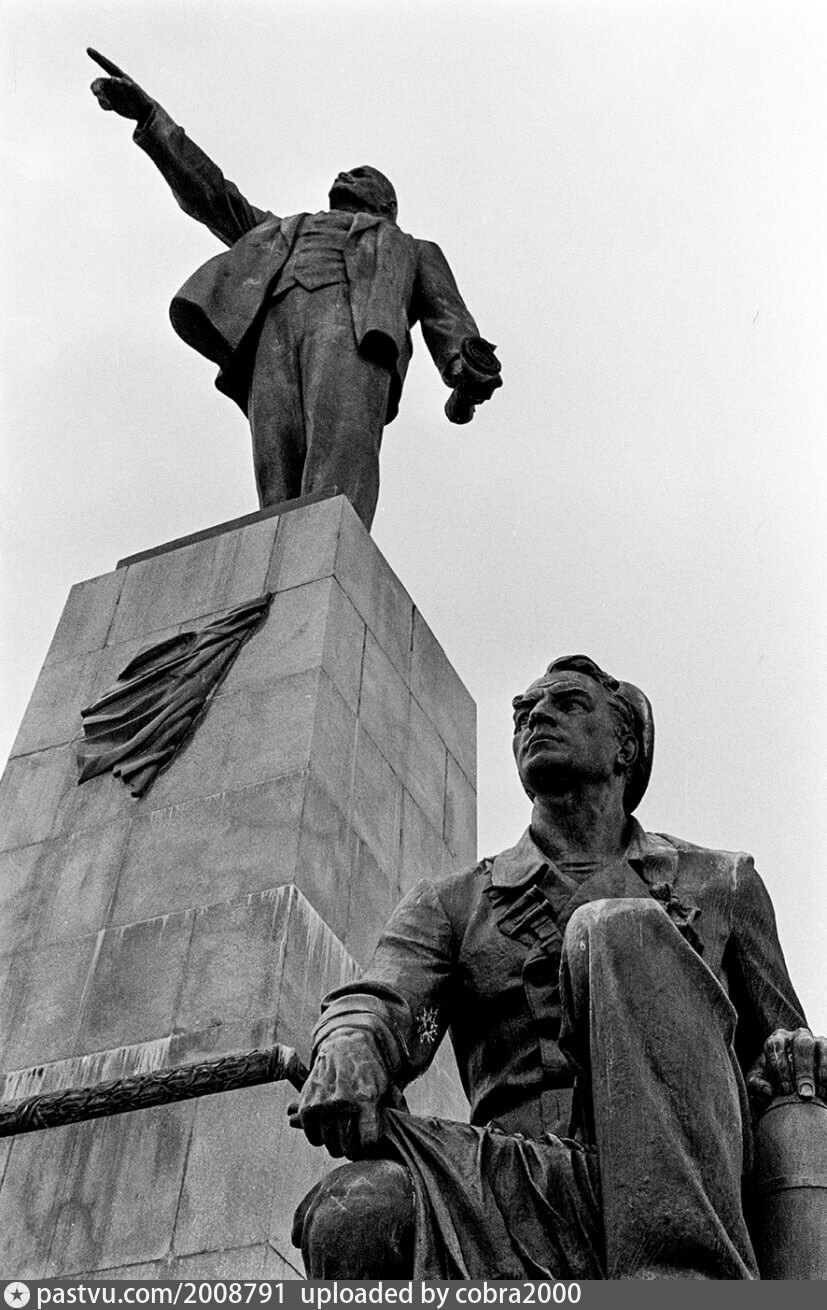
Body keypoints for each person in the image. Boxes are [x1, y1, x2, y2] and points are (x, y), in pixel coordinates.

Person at [291, 654, 826, 1279]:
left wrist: (797, 1053)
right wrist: (350, 1044)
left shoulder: (721, 882)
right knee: (355, 1209)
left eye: (567, 703)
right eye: (523, 711)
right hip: (514, 1181)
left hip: (693, 1182)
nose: (536, 716)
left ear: (625, 746)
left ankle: (681, 1276)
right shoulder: (453, 901)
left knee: (618, 927)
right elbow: (383, 1002)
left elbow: (785, 1060)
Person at [88, 50, 501, 530]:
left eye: (360, 175)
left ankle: (329, 544)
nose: (343, 176)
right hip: (274, 334)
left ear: (387, 203)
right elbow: (211, 194)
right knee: (276, 470)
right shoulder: (280, 230)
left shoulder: (411, 249)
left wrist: (462, 367)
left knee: (339, 460)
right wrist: (149, 117)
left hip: (355, 335)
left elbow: (447, 315)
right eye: (344, 172)